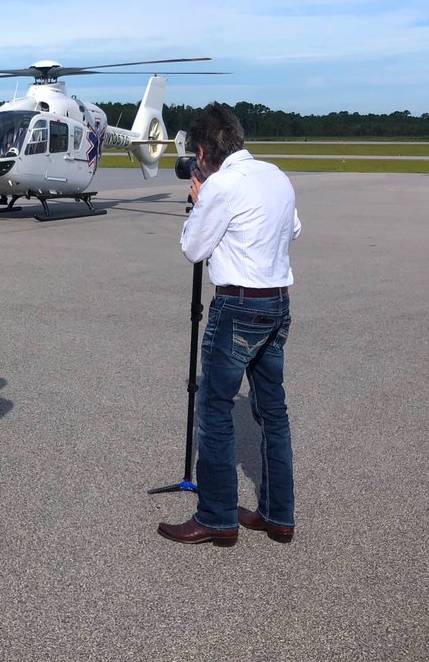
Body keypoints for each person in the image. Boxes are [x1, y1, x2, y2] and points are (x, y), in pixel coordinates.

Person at [158, 102, 302, 547]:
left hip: (237, 306)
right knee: (273, 412)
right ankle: (279, 516)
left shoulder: (221, 185)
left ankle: (217, 518)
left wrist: (199, 204)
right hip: (277, 303)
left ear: (201, 152)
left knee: (215, 411)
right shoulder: (276, 175)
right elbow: (293, 229)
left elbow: (194, 249)